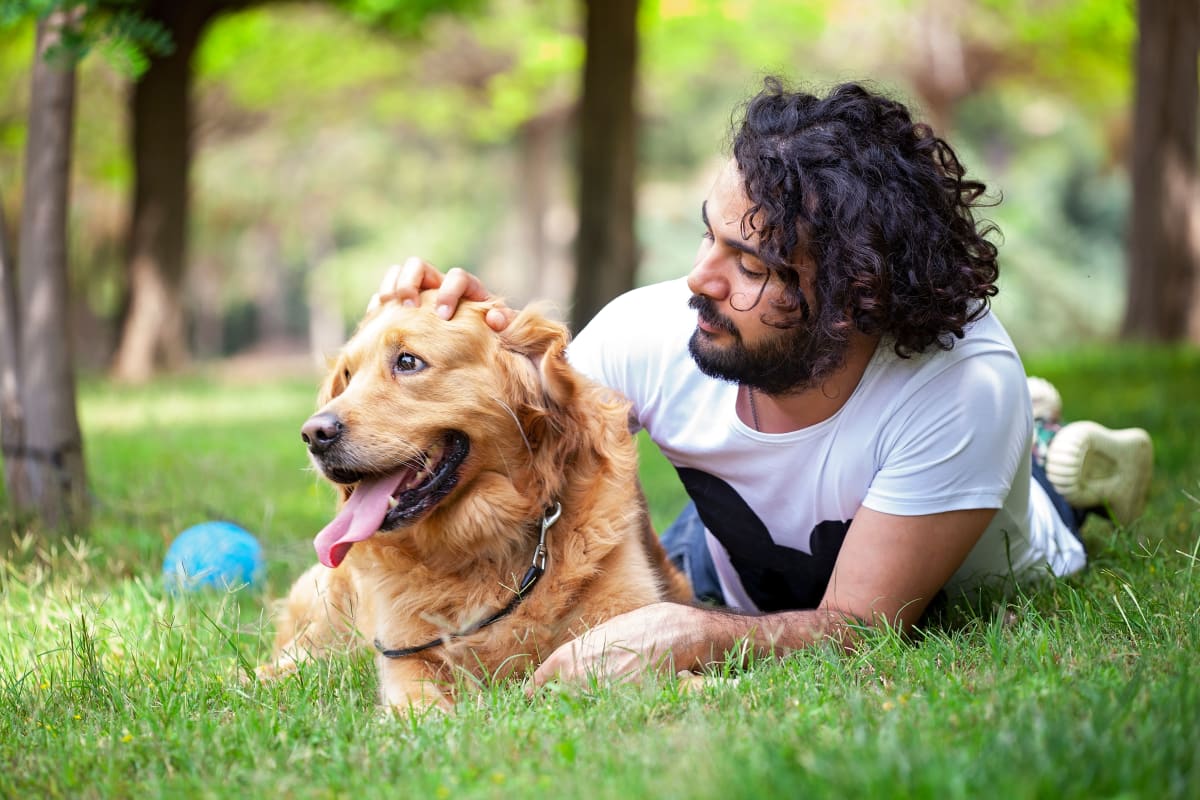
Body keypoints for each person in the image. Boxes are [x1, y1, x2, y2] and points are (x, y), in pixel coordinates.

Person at [371, 78, 1154, 686]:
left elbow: (861, 628)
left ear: (859, 298)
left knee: (1018, 469)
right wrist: (469, 337)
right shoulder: (656, 331)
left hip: (994, 552)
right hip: (731, 563)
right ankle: (1035, 433)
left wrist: (696, 636)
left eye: (751, 264)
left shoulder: (961, 390)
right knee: (693, 557)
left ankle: (1048, 458)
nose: (697, 280)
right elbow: (533, 414)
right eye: (708, 236)